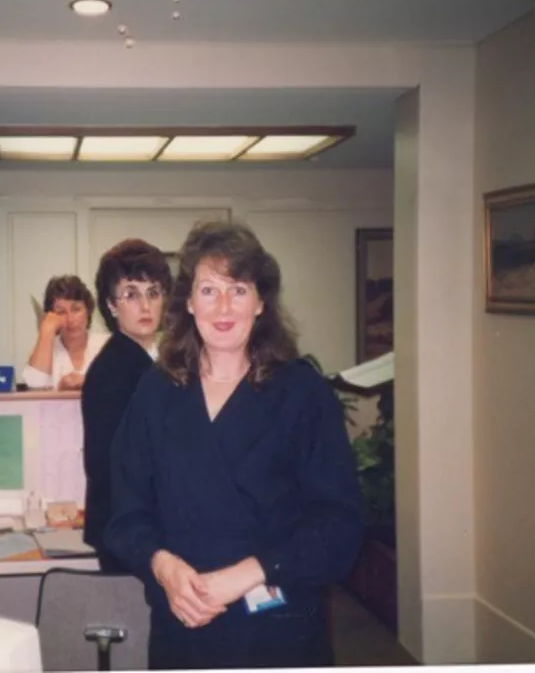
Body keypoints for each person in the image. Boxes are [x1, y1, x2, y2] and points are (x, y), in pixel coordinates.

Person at [104, 221, 363, 670]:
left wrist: (246, 575)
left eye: (239, 290)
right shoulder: (156, 392)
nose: (223, 307)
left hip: (278, 627)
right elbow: (124, 511)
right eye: (209, 290)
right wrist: (162, 565)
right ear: (188, 301)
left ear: (261, 302)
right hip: (183, 622)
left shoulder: (302, 393)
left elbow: (340, 525)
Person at [81, 239, 173, 572]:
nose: (145, 305)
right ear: (111, 305)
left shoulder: (148, 362)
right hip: (129, 534)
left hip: (133, 529)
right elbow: (110, 465)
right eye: (131, 294)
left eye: (154, 292)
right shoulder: (117, 371)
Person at [21, 275, 107, 390]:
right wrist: (46, 330)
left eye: (76, 309)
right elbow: (34, 387)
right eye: (61, 312)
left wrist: (88, 383)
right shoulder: (46, 349)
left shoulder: (107, 345)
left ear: (88, 311)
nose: (70, 319)